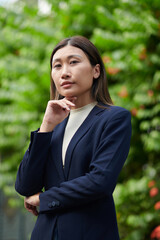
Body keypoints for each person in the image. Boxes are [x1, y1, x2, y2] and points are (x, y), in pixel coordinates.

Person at [15, 35, 132, 240]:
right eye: (57, 66)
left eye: (74, 62)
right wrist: (46, 127)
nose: (65, 73)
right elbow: (25, 186)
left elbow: (100, 181)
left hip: (90, 233)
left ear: (96, 71)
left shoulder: (114, 118)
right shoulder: (53, 125)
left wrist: (45, 198)